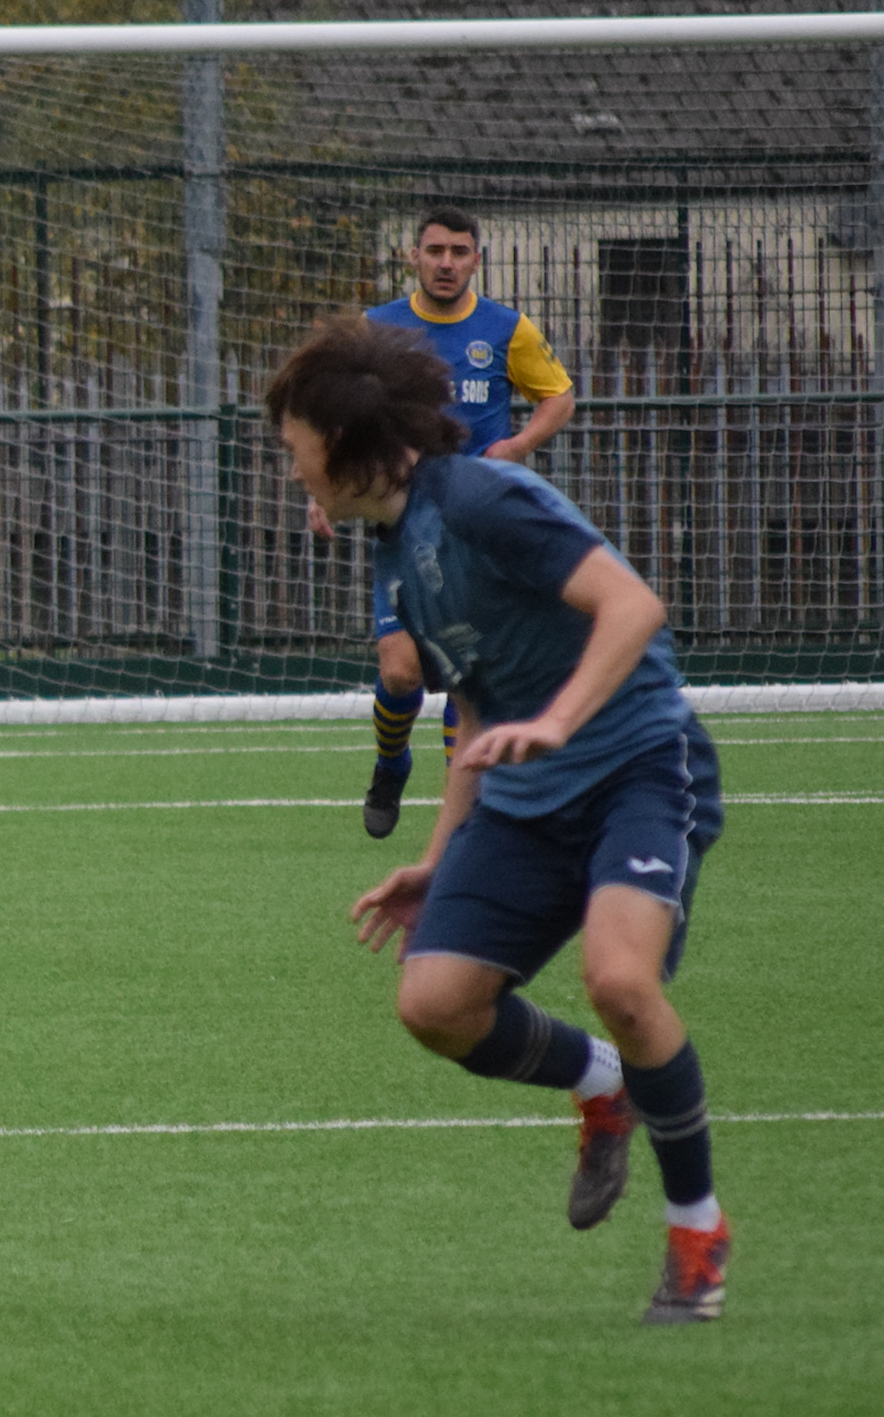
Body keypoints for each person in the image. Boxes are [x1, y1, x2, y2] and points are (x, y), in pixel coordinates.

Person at [270, 313, 730, 1326]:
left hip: (636, 769)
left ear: (348, 444)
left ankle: (696, 1228)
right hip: (524, 802)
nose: (293, 473)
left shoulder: (482, 496)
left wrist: (561, 719)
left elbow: (631, 604)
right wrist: (439, 856)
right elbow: (472, 706)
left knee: (619, 977)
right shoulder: (397, 549)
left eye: (297, 453)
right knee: (433, 1002)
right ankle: (599, 1082)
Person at [350, 205, 576, 840]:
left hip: (478, 525)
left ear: (477, 259)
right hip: (401, 517)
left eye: (459, 252)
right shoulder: (377, 330)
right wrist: (331, 485)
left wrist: (518, 444)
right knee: (401, 671)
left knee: (466, 675)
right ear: (413, 257)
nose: (446, 262)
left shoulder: (507, 330)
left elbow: (558, 396)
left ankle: (467, 820)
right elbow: (343, 412)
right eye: (435, 251)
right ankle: (391, 762)